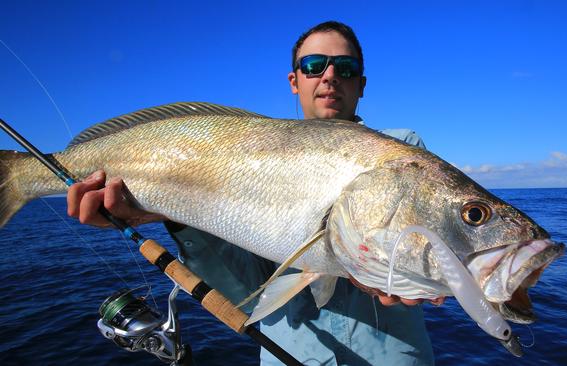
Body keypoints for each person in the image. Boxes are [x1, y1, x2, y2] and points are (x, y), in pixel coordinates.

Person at [67, 21, 435, 365]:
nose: (330, 76)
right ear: (295, 80)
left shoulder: (403, 153)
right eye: (314, 65)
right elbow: (247, 289)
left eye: (345, 68)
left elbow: (442, 248)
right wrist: (172, 215)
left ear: (362, 83)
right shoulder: (251, 153)